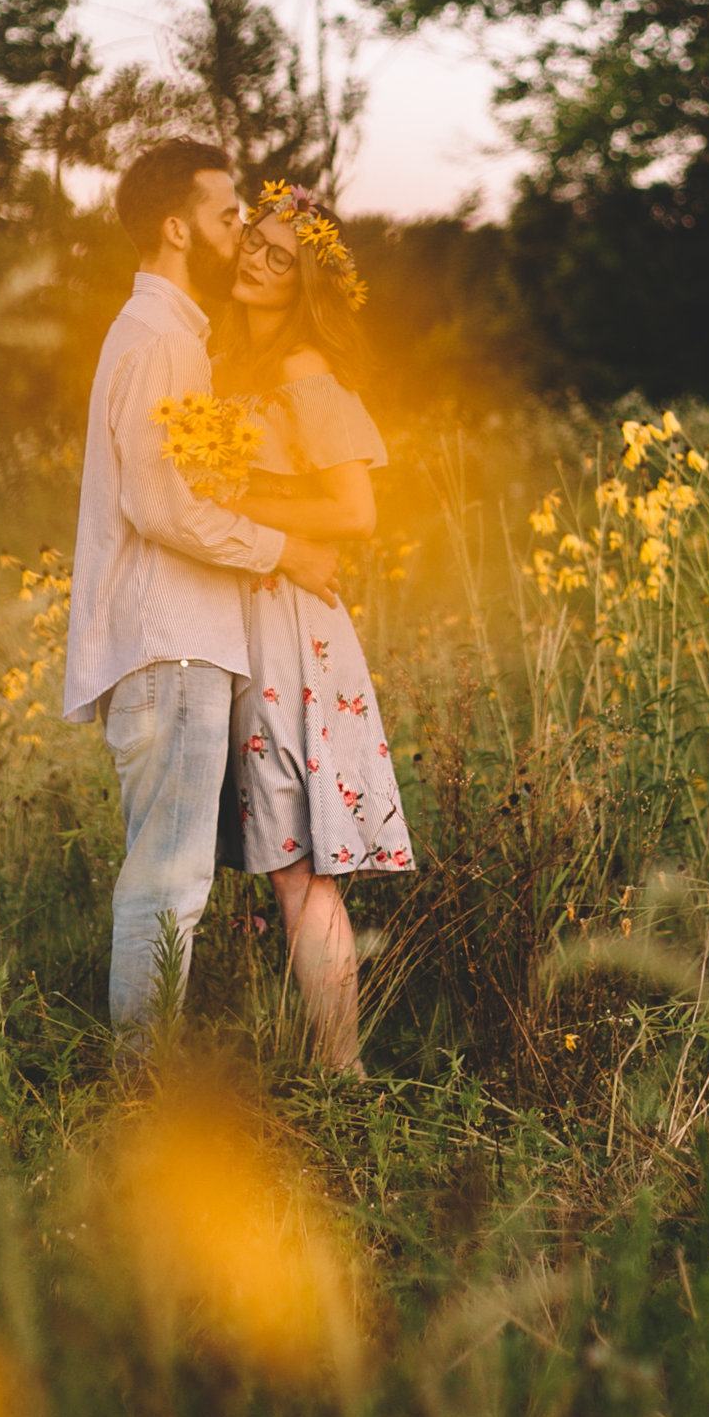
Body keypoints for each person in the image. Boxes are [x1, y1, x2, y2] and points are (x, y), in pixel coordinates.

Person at [63, 139, 342, 1044]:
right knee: (168, 884)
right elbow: (161, 504)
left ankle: (144, 1079)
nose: (240, 233)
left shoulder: (171, 337)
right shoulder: (159, 343)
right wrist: (284, 550)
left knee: (172, 879)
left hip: (179, 649)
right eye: (229, 218)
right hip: (170, 645)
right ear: (179, 228)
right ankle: (143, 1091)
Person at [212, 180, 416, 1075]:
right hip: (239, 611)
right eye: (252, 241)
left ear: (304, 284)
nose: (255, 260)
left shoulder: (300, 368)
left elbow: (357, 510)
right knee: (278, 863)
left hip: (289, 629)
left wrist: (248, 508)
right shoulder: (224, 364)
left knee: (302, 865)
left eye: (278, 256)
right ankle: (313, 1060)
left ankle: (343, 1074)